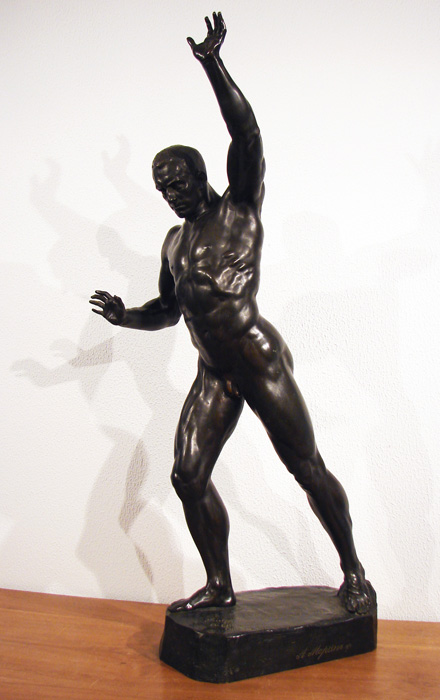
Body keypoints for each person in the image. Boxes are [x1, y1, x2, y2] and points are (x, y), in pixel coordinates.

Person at [90, 13, 372, 614]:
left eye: (177, 183)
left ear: (201, 176)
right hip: (213, 371)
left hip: (255, 356)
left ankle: (353, 571)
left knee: (306, 467)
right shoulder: (173, 242)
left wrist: (213, 64)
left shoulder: (239, 209)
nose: (171, 195)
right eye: (162, 189)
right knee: (187, 477)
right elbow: (169, 311)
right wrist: (124, 317)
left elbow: (247, 135)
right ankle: (220, 588)